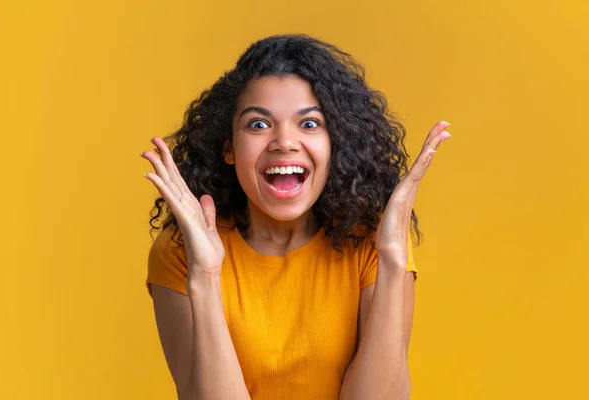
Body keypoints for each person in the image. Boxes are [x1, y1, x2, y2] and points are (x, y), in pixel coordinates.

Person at [140, 34, 450, 400]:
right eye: (258, 124)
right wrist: (206, 277)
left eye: (309, 124)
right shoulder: (180, 253)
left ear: (336, 143)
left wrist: (394, 262)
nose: (284, 142)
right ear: (228, 148)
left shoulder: (374, 244)